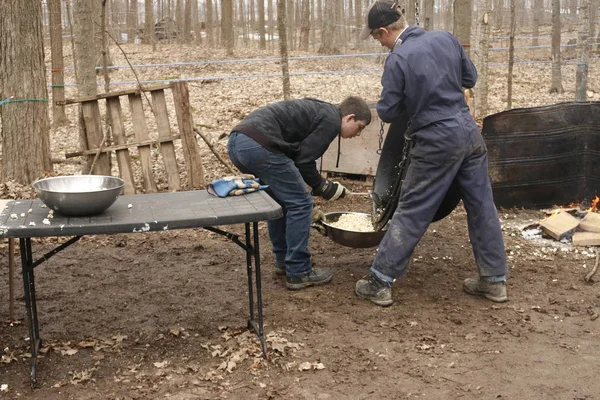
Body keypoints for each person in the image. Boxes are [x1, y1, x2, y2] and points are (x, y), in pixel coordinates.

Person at [355, 1, 508, 306]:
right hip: (470, 134)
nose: (380, 44)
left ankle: (380, 280)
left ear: (386, 31)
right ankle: (493, 280)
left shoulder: (398, 59)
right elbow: (470, 78)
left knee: (413, 208)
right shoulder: (446, 38)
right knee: (482, 206)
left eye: (377, 38)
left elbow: (387, 111)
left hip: (436, 140)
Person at [228, 96, 372, 290]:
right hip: (258, 145)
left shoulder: (321, 112)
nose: (358, 134)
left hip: (238, 143)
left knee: (282, 201)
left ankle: (283, 261)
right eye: (360, 127)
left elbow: (298, 158)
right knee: (301, 204)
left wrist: (323, 186)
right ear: (349, 117)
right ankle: (299, 271)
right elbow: (304, 162)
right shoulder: (330, 120)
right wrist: (323, 186)